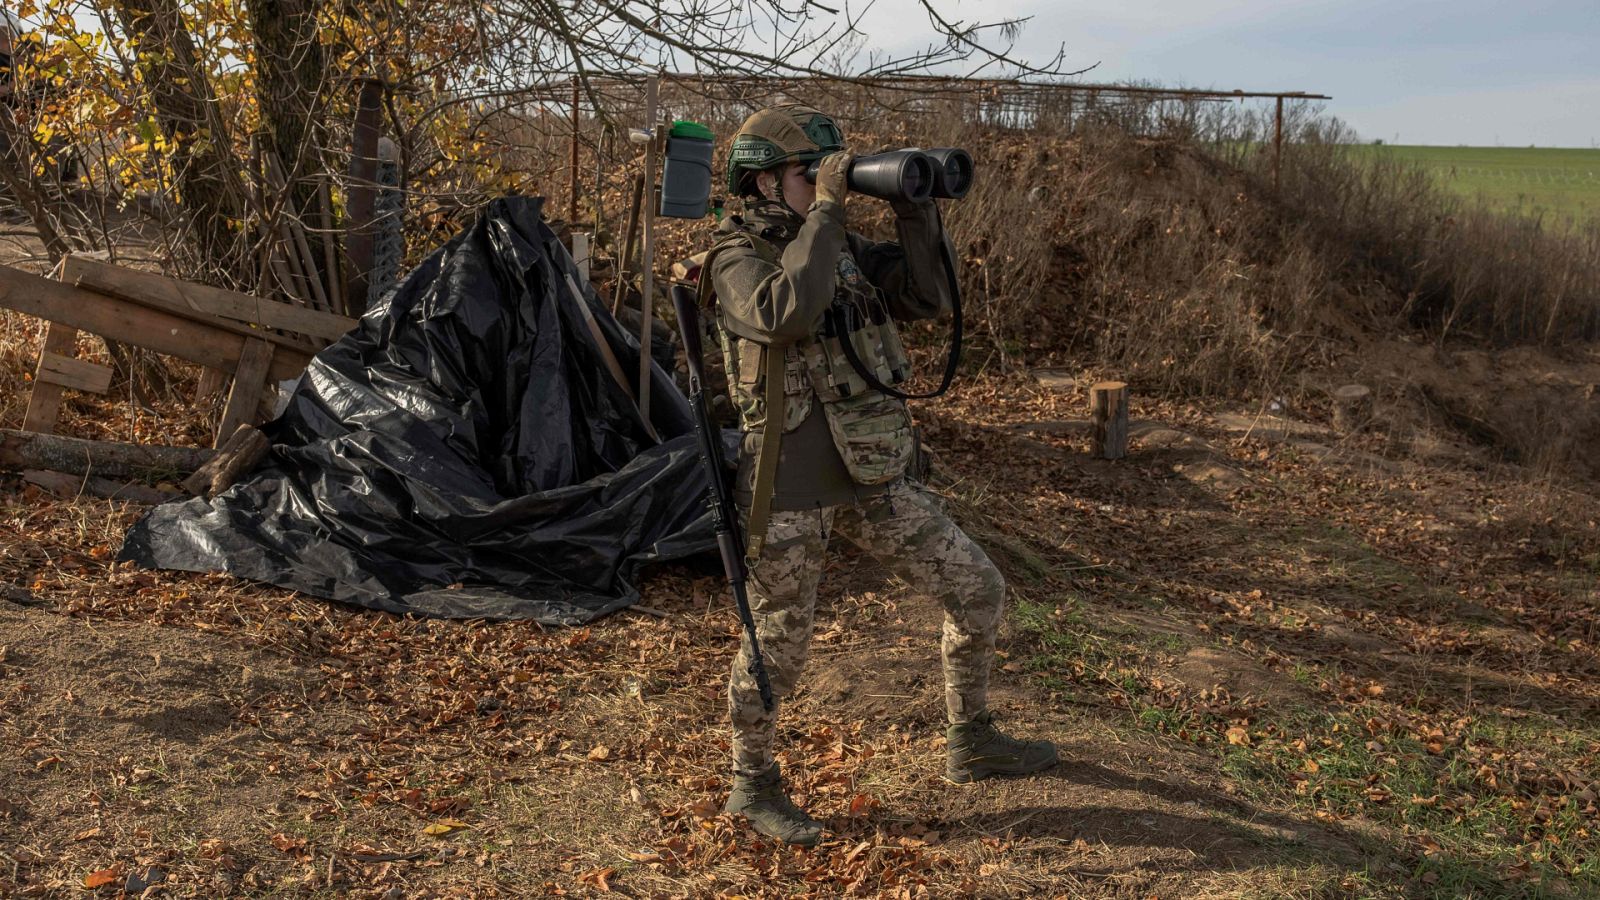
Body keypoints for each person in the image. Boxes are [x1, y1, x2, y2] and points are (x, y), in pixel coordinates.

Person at [701, 105, 1058, 847]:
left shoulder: (839, 247)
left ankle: (972, 738)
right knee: (778, 646)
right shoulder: (735, 258)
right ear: (764, 181)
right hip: (788, 486)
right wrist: (827, 214)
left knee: (978, 588)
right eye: (809, 173)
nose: (826, 182)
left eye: (827, 172)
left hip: (875, 474)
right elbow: (785, 313)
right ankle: (752, 785)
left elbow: (926, 297)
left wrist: (915, 213)